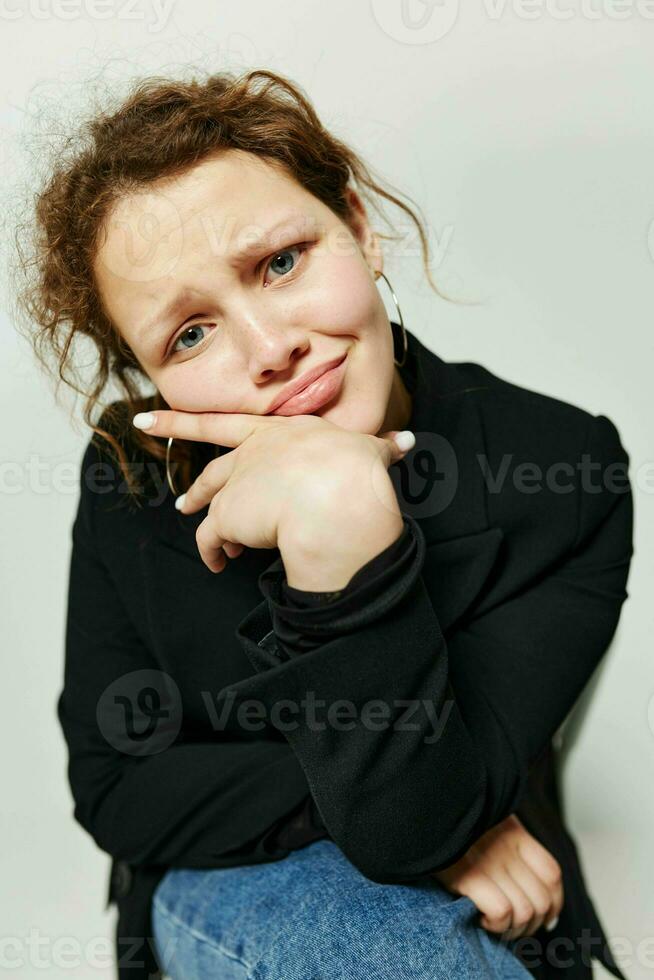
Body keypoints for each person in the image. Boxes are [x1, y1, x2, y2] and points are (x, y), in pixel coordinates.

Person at [14, 69, 633, 980]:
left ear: (357, 224)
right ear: (151, 380)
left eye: (281, 262)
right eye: (189, 334)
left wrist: (344, 528)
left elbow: (411, 823)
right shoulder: (129, 475)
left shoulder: (563, 471)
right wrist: (452, 806)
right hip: (229, 880)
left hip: (505, 898)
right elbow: (117, 789)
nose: (271, 351)